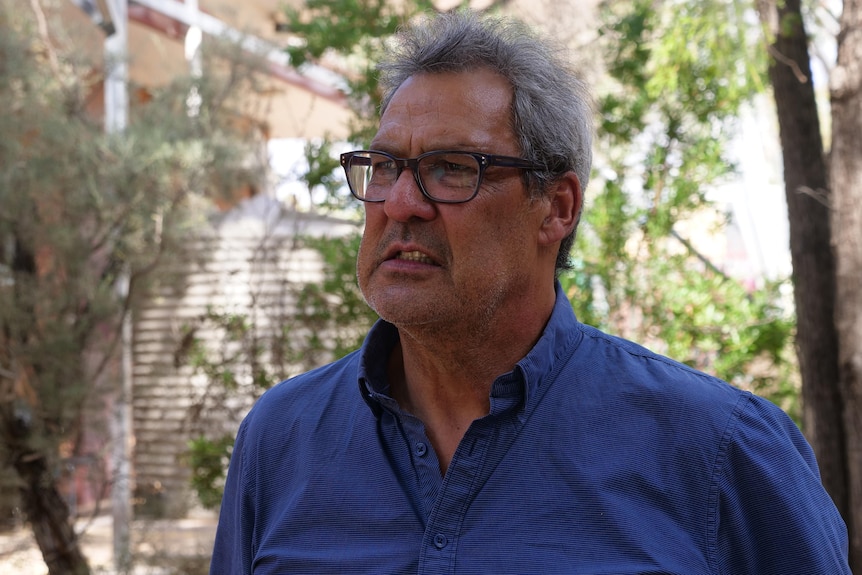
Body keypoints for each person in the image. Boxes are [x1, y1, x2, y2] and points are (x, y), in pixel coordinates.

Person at [210, 10, 850, 575]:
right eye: (384, 167)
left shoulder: (718, 448)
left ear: (557, 209)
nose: (401, 203)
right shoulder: (283, 437)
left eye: (453, 168)